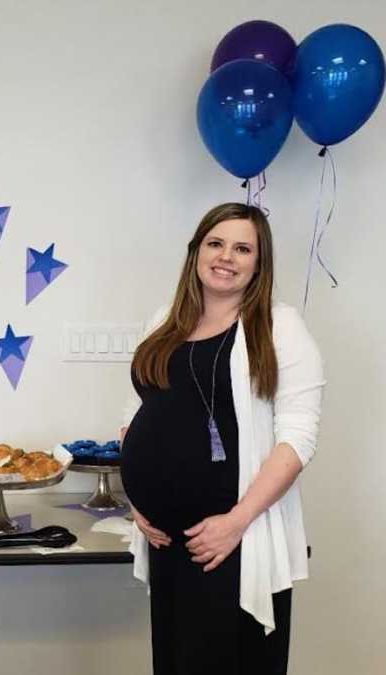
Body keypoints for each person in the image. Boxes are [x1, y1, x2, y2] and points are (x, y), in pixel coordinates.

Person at [118, 203, 324, 675]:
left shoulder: (278, 327)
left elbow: (298, 440)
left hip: (232, 541)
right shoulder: (164, 322)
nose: (226, 256)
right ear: (196, 252)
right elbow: (136, 415)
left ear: (259, 263)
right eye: (216, 243)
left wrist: (235, 522)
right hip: (167, 541)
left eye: (242, 248)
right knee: (176, 661)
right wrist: (137, 501)